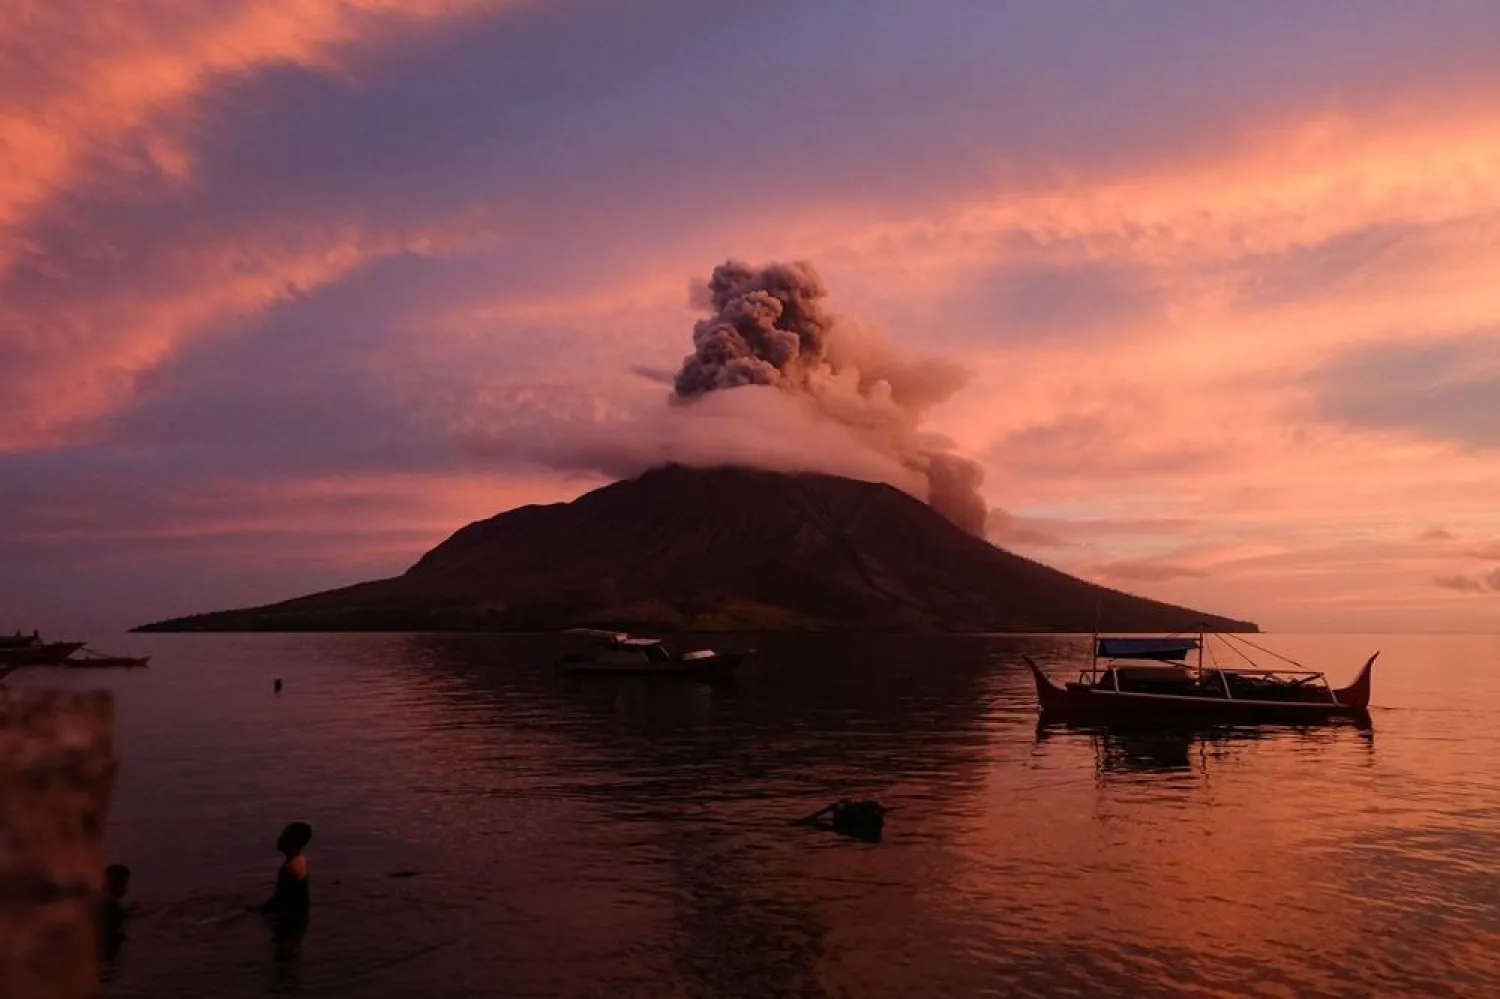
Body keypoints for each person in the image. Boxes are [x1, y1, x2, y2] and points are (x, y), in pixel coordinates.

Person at [257, 821, 312, 915]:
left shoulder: (289, 869)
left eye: (284, 836)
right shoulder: (300, 861)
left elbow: (280, 900)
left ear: (294, 841)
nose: (280, 838)